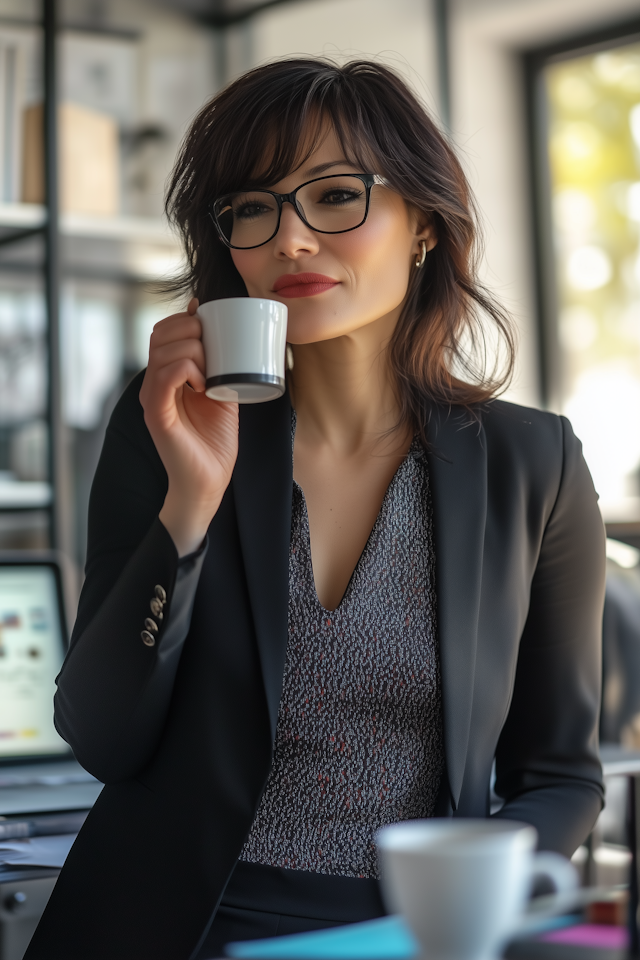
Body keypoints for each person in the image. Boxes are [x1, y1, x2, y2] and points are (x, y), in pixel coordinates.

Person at [25, 58, 605, 960]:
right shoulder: (165, 426)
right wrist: (191, 502)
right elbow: (101, 735)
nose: (290, 239)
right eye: (253, 208)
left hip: (412, 935)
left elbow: (561, 774)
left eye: (336, 196)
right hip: (163, 931)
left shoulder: (536, 463)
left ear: (423, 224)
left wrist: (469, 890)